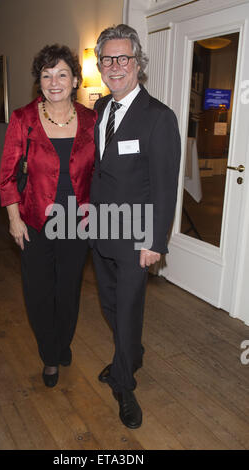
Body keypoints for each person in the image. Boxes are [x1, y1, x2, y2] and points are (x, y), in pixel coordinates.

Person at [90, 24, 181, 429]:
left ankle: (124, 384)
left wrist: (154, 242)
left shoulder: (159, 118)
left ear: (138, 64)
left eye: (123, 58)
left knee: (127, 309)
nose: (115, 66)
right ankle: (132, 352)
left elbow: (165, 186)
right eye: (108, 59)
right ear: (100, 65)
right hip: (100, 230)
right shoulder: (99, 110)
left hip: (136, 236)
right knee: (110, 305)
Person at [0, 44, 96, 388]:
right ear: (39, 81)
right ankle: (49, 355)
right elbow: (8, 176)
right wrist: (14, 221)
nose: (54, 82)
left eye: (62, 74)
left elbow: (101, 174)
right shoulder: (23, 119)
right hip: (34, 224)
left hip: (77, 225)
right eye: (46, 75)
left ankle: (62, 342)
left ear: (75, 80)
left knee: (68, 291)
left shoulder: (91, 120)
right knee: (39, 293)